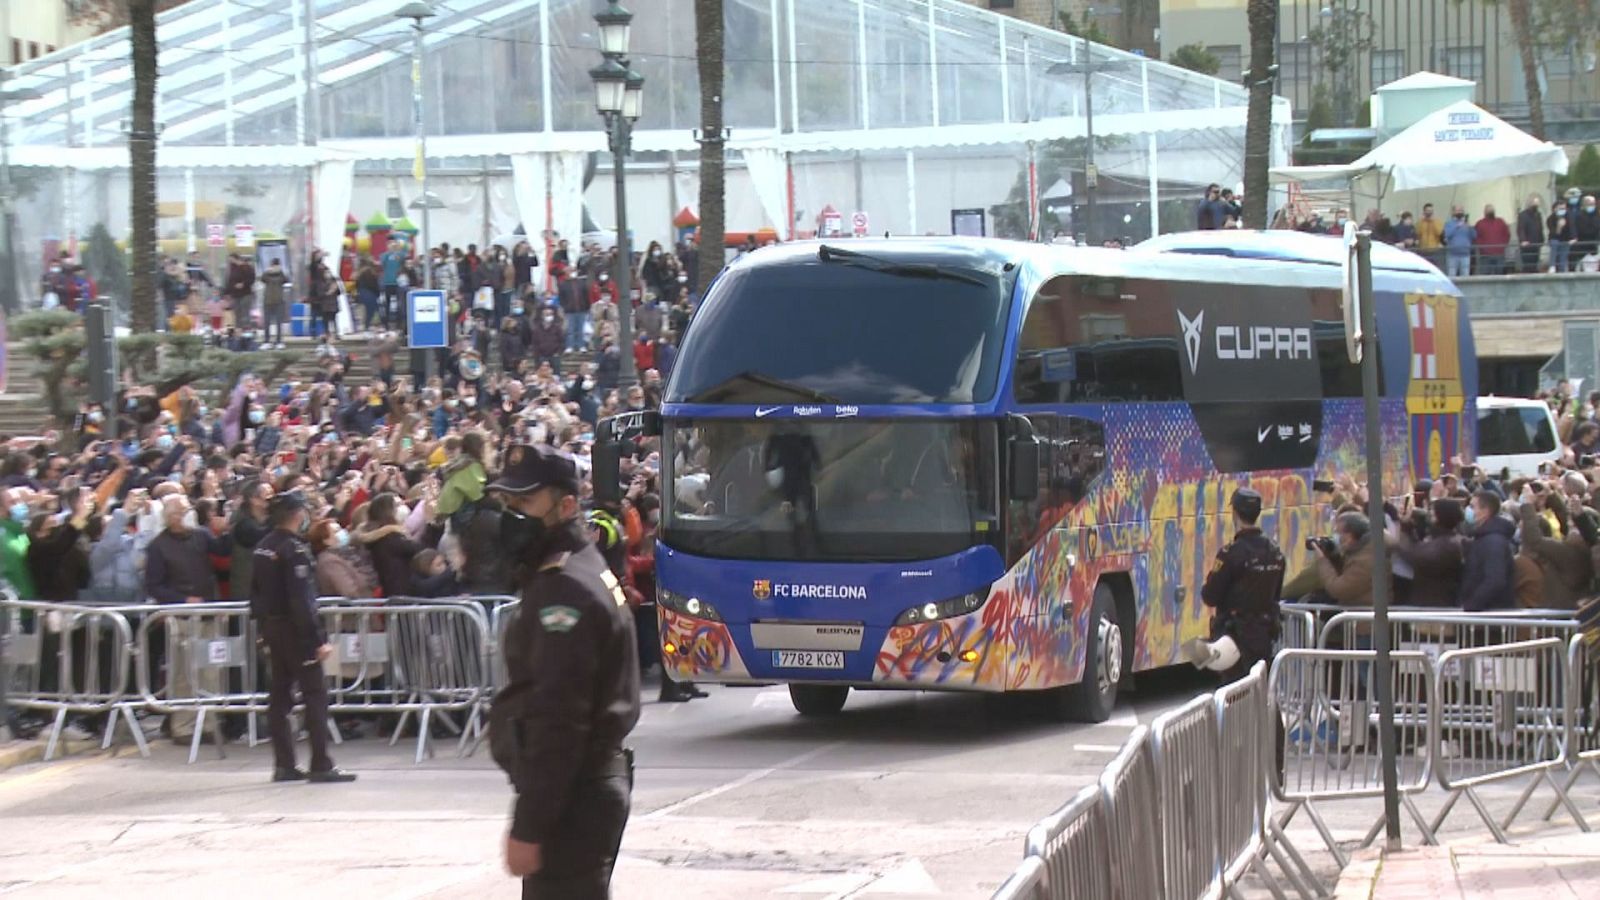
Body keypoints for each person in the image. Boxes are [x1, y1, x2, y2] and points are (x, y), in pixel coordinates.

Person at [487, 445, 640, 898]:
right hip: (585, 788)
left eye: (526, 503)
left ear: (566, 505)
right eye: (509, 504)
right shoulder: (578, 568)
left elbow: (559, 719)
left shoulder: (564, 590)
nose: (513, 515)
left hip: (573, 794)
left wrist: (530, 824)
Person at [250, 492, 355, 784]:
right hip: (295, 630)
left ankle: (284, 764)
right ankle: (320, 762)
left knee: (280, 696)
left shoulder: (262, 547)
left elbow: (255, 594)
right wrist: (316, 639)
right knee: (315, 695)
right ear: (297, 514)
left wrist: (262, 630)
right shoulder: (293, 550)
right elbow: (302, 599)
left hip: (272, 628)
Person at [1182, 488, 1285, 683]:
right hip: (1264, 636)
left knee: (1230, 691)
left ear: (1235, 514)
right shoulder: (1275, 552)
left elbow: (1210, 596)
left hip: (1235, 637)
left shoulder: (1231, 553)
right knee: (1259, 690)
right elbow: (1276, 594)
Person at [1460, 490, 1516, 611]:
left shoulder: (1494, 541)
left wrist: (1472, 605)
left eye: (1472, 507)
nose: (1469, 511)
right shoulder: (1482, 538)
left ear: (1485, 511)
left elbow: (1495, 579)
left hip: (1490, 614)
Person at [260, 258, 289, 348]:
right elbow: (262, 279)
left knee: (279, 322)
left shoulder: (281, 275)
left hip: (279, 301)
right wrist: (267, 271)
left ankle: (279, 341)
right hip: (267, 301)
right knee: (267, 322)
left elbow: (286, 280)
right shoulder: (267, 274)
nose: (275, 267)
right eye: (274, 265)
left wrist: (280, 271)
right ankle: (267, 341)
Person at [1473, 204, 1511, 275]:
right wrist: (1482, 247)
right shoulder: (1480, 223)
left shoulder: (1500, 222)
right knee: (1486, 276)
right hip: (1486, 255)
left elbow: (1507, 235)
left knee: (1499, 275)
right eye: (1489, 210)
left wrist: (1502, 246)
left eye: (1491, 210)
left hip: (1498, 254)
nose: (1490, 212)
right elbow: (1475, 237)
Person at [1443, 205, 1474, 278]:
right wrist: (1457, 226)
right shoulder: (1449, 223)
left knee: (1465, 277)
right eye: (1458, 210)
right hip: (1452, 255)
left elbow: (1474, 236)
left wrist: (1469, 226)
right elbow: (1447, 234)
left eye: (1461, 210)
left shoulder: (1466, 224)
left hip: (1465, 255)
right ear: (1453, 212)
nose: (1460, 212)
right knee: (1452, 277)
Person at [1517, 195, 1545, 274]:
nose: (1537, 206)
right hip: (1527, 244)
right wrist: (1523, 240)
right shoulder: (1523, 215)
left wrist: (1541, 239)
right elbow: (1521, 228)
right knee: (1527, 265)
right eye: (1535, 204)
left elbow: (1540, 228)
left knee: (1535, 263)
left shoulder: (1538, 215)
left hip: (1536, 243)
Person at [1548, 202, 1574, 273]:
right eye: (1561, 208)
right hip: (1555, 238)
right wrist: (1559, 227)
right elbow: (1553, 233)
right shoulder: (1550, 218)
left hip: (1565, 239)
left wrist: (1573, 238)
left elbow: (1572, 228)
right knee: (1554, 244)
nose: (1563, 210)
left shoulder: (1568, 216)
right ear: (1555, 209)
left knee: (1563, 256)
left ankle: (1561, 270)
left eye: (1564, 208)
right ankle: (1552, 266)